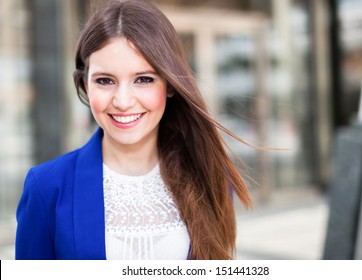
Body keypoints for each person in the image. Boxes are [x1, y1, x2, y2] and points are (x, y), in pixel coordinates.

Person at [15, 0, 252, 260]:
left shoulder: (211, 178)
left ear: (170, 85)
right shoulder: (46, 187)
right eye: (105, 81)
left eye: (143, 79)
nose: (123, 101)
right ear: (85, 85)